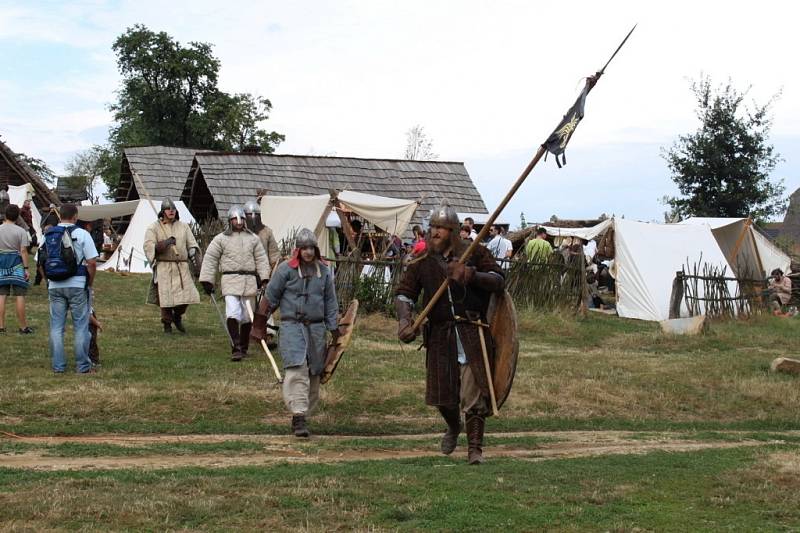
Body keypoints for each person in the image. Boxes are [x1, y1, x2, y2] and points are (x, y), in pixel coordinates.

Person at [394, 202, 505, 464]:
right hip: (440, 335)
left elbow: (499, 280)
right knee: (443, 396)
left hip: (471, 331)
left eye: (441, 228)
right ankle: (454, 427)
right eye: (432, 227)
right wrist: (404, 320)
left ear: (453, 231)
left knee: (473, 393)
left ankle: (475, 448)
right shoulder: (422, 262)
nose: (434, 232)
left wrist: (470, 274)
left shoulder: (475, 253)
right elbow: (404, 294)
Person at [250, 228, 339, 438]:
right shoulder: (285, 270)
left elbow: (330, 302)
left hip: (316, 330)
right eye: (304, 248)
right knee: (297, 369)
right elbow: (270, 297)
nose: (308, 252)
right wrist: (259, 325)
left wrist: (334, 328)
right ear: (298, 250)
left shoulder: (324, 272)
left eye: (311, 248)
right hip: (292, 327)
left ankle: (303, 414)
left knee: (314, 373)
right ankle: (298, 416)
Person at [199, 206, 271, 361]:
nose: (238, 222)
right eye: (235, 219)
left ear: (244, 220)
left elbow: (261, 259)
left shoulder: (253, 238)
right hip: (230, 281)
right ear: (230, 220)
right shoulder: (221, 239)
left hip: (249, 281)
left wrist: (264, 277)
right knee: (233, 312)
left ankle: (243, 347)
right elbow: (211, 259)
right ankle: (236, 347)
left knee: (247, 316)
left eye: (241, 219)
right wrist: (207, 279)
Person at [45, 204, 98, 374]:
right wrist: (89, 282)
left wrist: (49, 279)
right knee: (80, 326)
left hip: (54, 284)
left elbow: (40, 259)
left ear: (60, 216)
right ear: (75, 216)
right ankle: (82, 365)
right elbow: (92, 263)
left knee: (56, 327)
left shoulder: (48, 234)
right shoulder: (82, 234)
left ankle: (58, 366)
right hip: (77, 283)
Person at [143, 199, 202, 334]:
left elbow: (192, 245)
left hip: (181, 266)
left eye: (173, 209)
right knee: (166, 298)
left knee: (188, 295)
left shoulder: (183, 226)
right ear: (163, 212)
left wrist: (196, 262)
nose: (171, 211)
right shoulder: (154, 227)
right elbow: (148, 246)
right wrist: (165, 243)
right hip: (164, 266)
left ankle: (177, 316)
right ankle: (167, 324)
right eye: (168, 209)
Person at [0, 204, 31, 334]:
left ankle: (1, 326)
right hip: (17, 264)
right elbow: (23, 251)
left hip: (1, 263)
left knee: (1, 295)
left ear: (5, 215)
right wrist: (26, 268)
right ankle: (23, 327)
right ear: (17, 216)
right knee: (20, 295)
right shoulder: (21, 231)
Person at [244, 199, 281, 270]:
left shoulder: (267, 232)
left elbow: (274, 255)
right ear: (244, 216)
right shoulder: (239, 232)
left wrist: (276, 268)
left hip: (264, 271)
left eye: (256, 214)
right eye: (250, 214)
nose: (253, 217)